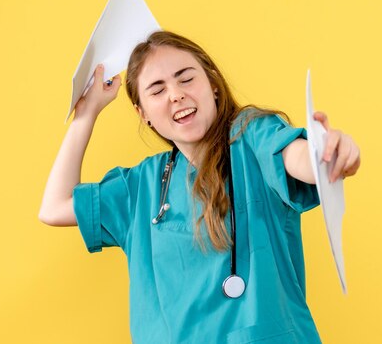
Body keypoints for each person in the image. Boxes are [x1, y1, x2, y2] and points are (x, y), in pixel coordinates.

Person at [39, 31, 361, 343]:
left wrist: (327, 154)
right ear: (144, 114)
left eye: (186, 77)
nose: (176, 93)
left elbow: (297, 158)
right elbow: (54, 207)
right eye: (157, 89)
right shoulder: (140, 187)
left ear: (213, 85)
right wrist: (86, 114)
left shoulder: (252, 136)